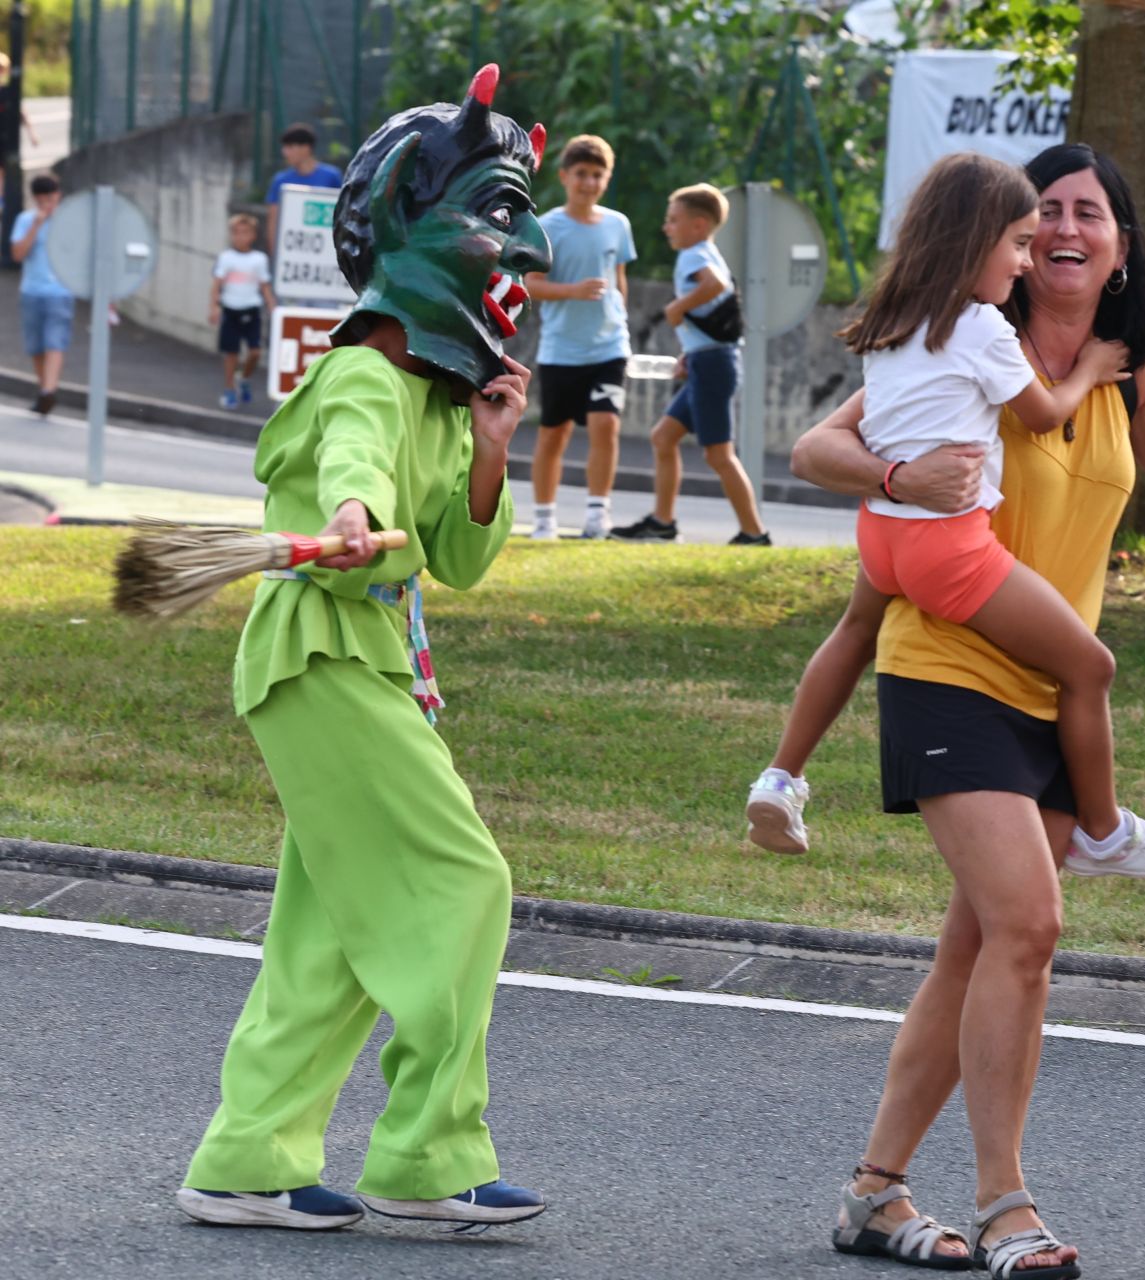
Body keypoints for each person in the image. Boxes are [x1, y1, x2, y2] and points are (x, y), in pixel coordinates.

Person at [785, 142, 1145, 1276]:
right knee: (1030, 925)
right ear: (1013, 236)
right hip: (947, 662)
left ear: (1120, 245)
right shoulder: (972, 336)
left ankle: (874, 1192)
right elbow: (822, 442)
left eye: (1088, 214)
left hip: (1050, 693)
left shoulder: (1128, 374)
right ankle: (1007, 1202)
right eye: (1044, 211)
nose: (1064, 229)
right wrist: (897, 479)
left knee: (977, 945)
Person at [175, 65, 553, 1233]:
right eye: (498, 213)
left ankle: (246, 1156)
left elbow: (457, 553)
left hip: (369, 661)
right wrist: (346, 513)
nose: (526, 247)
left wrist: (492, 443)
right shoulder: (357, 375)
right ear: (408, 229)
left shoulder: (441, 403)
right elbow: (348, 456)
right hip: (319, 656)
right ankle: (428, 1153)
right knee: (463, 878)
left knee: (335, 931)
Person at [751, 151, 1145, 879]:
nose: (1026, 262)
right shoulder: (987, 329)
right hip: (945, 541)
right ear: (973, 240)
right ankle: (1106, 830)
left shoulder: (900, 318)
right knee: (1090, 666)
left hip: (885, 529)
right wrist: (1088, 371)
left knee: (855, 629)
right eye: (1020, 242)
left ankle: (781, 776)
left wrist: (894, 478)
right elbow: (1045, 413)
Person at [610, 182, 770, 545]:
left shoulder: (694, 255)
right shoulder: (708, 251)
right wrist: (692, 349)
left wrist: (676, 308)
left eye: (673, 220)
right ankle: (662, 522)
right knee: (663, 437)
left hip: (713, 366)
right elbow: (717, 300)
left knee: (719, 455)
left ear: (698, 225)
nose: (667, 227)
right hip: (708, 360)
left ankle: (754, 533)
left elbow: (713, 286)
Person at [524, 134, 637, 540]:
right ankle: (543, 519)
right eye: (581, 174)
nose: (589, 183)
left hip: (609, 347)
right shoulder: (547, 226)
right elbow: (531, 283)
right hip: (561, 350)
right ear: (564, 176)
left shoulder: (617, 224)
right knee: (554, 433)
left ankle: (597, 515)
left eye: (597, 175)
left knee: (606, 423)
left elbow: (619, 279)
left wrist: (619, 319)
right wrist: (572, 291)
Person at [11, 174, 71, 416]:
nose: (48, 203)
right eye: (42, 198)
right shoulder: (25, 220)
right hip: (31, 290)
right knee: (36, 346)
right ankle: (44, 389)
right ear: (35, 199)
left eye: (52, 197)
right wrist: (36, 225)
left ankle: (49, 390)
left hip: (61, 291)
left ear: (59, 195)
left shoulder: (68, 221)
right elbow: (17, 254)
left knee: (54, 342)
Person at [208, 212, 275, 409]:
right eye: (236, 233)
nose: (240, 237)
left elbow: (264, 286)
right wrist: (214, 307)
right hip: (230, 310)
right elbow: (216, 284)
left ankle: (243, 378)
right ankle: (229, 389)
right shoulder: (226, 258)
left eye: (245, 232)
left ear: (253, 235)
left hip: (251, 310)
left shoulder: (259, 259)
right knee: (231, 353)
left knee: (255, 352)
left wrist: (272, 307)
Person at [265, 123, 344, 251]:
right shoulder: (280, 180)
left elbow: (342, 214)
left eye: (290, 147)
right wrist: (275, 253)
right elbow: (273, 219)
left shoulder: (332, 176)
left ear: (306, 148)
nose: (284, 152)